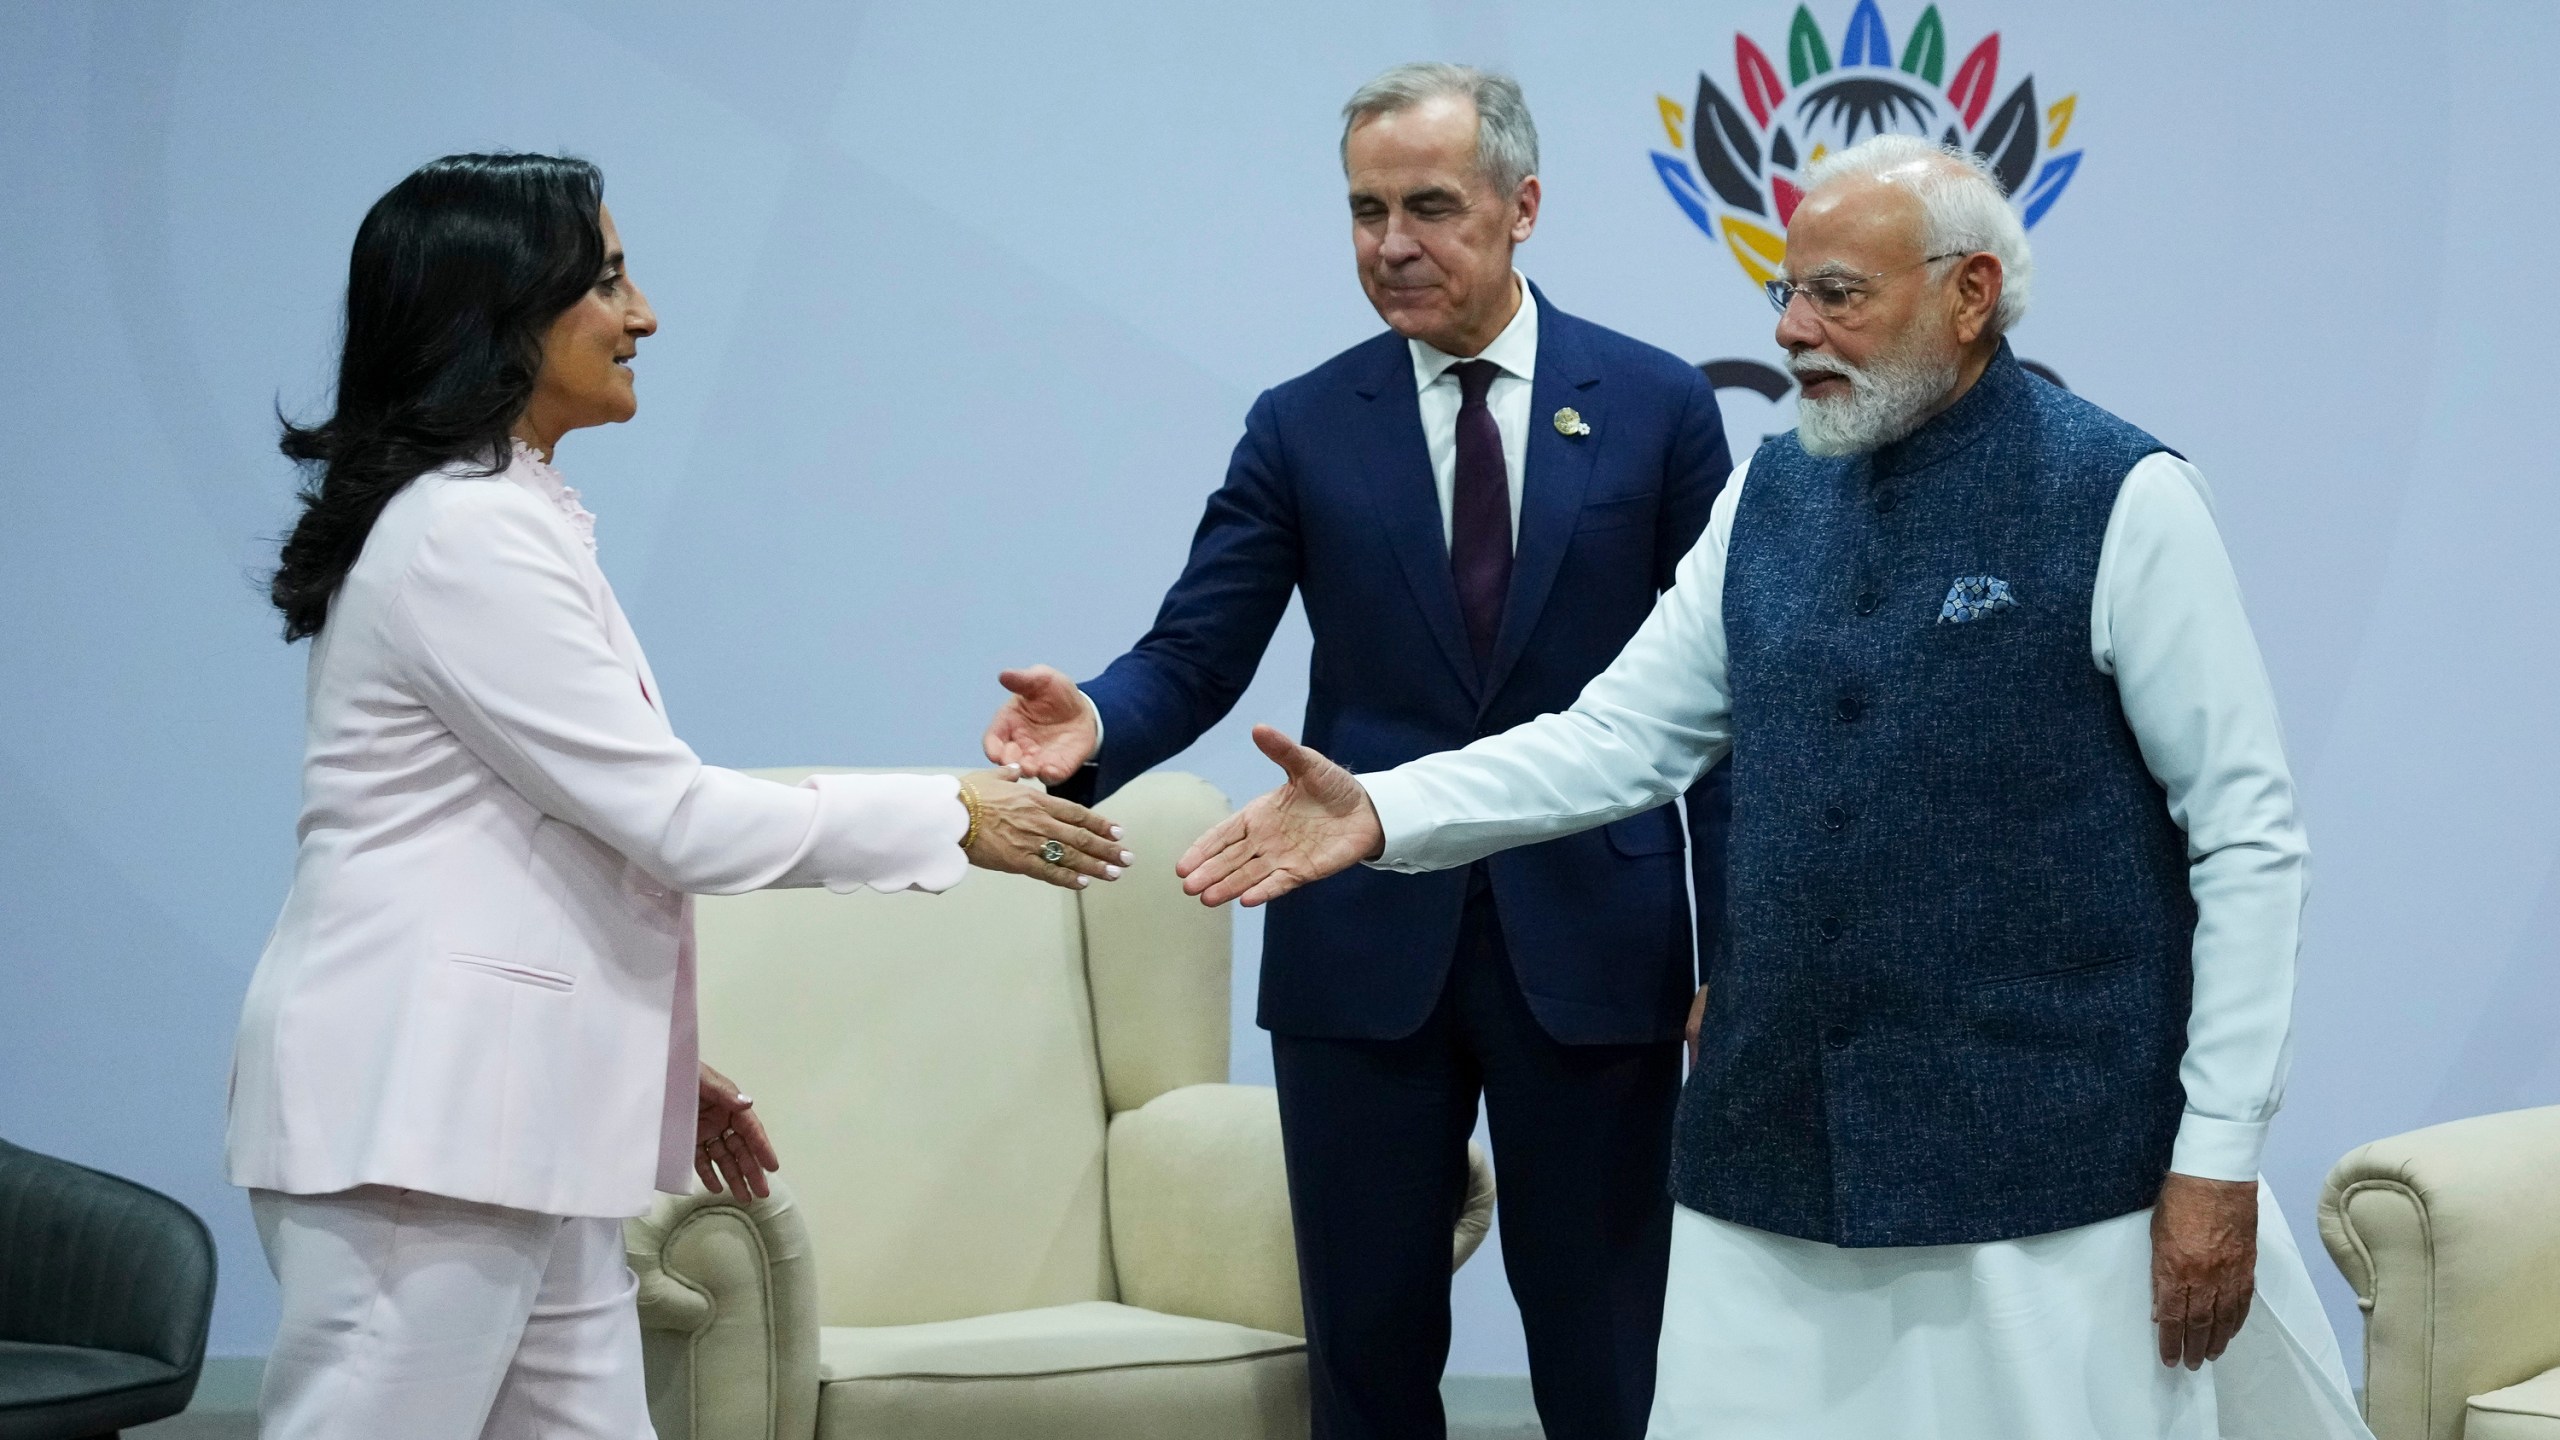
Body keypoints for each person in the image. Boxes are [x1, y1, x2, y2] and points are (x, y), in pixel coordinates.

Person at [1173, 135, 2372, 1440]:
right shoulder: (1768, 493)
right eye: (1786, 293)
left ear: (1971, 294)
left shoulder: (2123, 498)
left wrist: (2217, 1156)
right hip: (1771, 1165)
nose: (1793, 330)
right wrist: (1386, 811)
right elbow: (1618, 739)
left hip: (2053, 1178)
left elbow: (2247, 842)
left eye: (1837, 295)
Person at [226, 152, 1130, 1440]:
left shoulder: (502, 516)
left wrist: (641, 1049)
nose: (643, 314)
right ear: (500, 312)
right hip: (424, 1114)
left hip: (505, 1110)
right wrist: (954, 813)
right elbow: (676, 820)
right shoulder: (464, 534)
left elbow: (534, 846)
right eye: (605, 281)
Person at [982, 62, 1732, 1440]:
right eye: (1366, 210)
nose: (1392, 244)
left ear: (1522, 207)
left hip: (1597, 943)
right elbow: (1195, 653)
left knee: (1611, 1359)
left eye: (1431, 207)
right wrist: (1095, 723)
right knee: (1366, 1361)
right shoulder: (1304, 422)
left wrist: (1736, 951)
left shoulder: (1657, 405)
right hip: (1363, 948)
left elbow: (1723, 710)